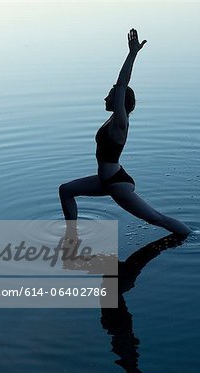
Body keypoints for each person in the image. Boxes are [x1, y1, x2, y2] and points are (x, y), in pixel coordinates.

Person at [59, 29, 191, 235]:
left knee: (155, 218)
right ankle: (71, 235)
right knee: (65, 190)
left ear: (119, 102)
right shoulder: (112, 120)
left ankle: (189, 234)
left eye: (110, 96)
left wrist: (132, 54)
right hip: (105, 180)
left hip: (116, 183)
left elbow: (122, 84)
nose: (105, 98)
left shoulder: (120, 122)